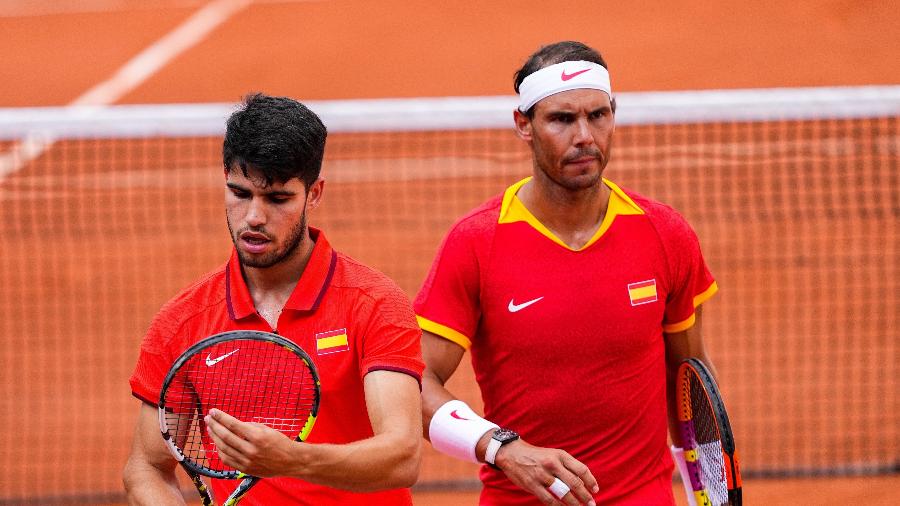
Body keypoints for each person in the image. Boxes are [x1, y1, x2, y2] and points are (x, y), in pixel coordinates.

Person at [415, 41, 719, 505]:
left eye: (598, 115)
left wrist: (712, 487)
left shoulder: (664, 233)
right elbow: (415, 381)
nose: (584, 136)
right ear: (524, 124)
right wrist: (503, 449)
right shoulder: (477, 243)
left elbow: (689, 382)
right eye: (561, 119)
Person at [123, 93, 424, 505]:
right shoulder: (184, 321)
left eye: (277, 199)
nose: (254, 218)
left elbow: (402, 455)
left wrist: (292, 460)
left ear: (313, 194)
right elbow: (147, 466)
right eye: (240, 193)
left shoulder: (373, 303)